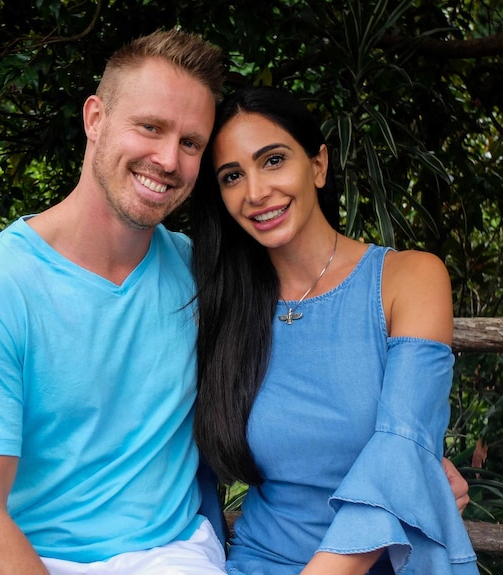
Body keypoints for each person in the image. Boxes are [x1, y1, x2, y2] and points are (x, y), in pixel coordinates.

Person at [0, 29, 228, 575]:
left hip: (168, 556)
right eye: (150, 127)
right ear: (95, 119)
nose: (168, 159)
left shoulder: (199, 273)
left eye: (191, 143)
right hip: (12, 557)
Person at [191, 85, 478, 575]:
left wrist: (423, 479)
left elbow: (402, 447)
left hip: (389, 563)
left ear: (318, 165)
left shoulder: (410, 278)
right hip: (256, 562)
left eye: (274, 160)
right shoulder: (223, 303)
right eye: (232, 175)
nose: (256, 192)